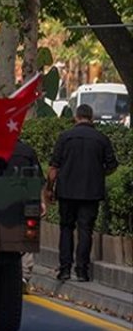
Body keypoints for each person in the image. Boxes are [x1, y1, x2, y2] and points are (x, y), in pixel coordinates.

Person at [47, 104, 119, 282]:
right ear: (91, 118)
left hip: (66, 192)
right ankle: (82, 271)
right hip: (91, 193)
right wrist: (98, 174)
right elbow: (112, 165)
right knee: (85, 230)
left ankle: (64, 270)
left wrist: (50, 188)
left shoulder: (65, 137)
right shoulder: (101, 139)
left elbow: (53, 168)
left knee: (66, 228)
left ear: (76, 117)